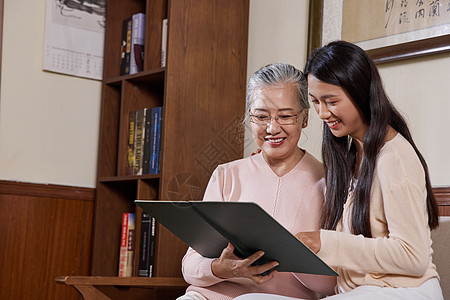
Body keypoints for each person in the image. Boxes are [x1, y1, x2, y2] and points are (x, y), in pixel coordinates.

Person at [234, 41, 444, 300]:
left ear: (360, 93)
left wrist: (327, 242)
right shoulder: (350, 156)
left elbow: (414, 257)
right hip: (359, 292)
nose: (323, 113)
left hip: (403, 292)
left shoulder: (394, 157)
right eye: (315, 102)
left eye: (331, 101)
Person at [177, 63, 337, 300]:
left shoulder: (330, 182)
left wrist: (293, 253)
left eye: (285, 116)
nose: (272, 128)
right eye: (261, 116)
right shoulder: (226, 175)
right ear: (249, 118)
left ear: (304, 118)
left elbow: (334, 284)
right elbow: (190, 267)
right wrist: (219, 269)